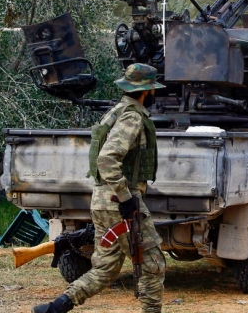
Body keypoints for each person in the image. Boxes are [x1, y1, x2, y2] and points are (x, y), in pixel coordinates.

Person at [32, 63, 167, 313]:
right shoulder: (132, 116)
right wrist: (126, 198)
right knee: (153, 264)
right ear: (147, 91)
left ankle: (55, 307)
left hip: (102, 201)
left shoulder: (116, 111)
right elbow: (107, 159)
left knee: (105, 269)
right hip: (119, 204)